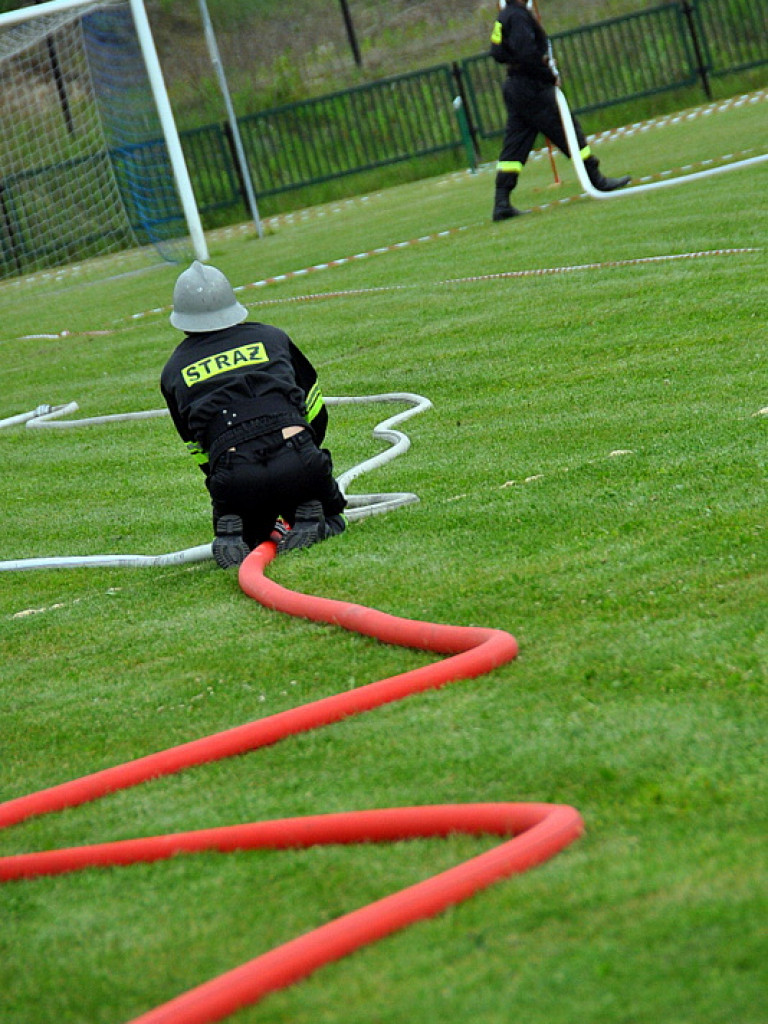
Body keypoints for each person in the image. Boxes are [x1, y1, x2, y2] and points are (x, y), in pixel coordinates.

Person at [160, 261, 347, 568]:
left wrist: (224, 483)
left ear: (182, 320)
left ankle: (238, 533)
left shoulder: (173, 370)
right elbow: (314, 407)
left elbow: (197, 447)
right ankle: (317, 521)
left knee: (254, 534)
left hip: (235, 472)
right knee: (334, 517)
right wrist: (306, 453)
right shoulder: (272, 338)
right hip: (297, 455)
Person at [489, 0, 631, 221]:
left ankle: (501, 202)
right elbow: (527, 53)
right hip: (531, 86)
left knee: (515, 145)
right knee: (567, 130)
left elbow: (497, 52)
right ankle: (596, 179)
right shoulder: (517, 16)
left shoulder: (505, 15)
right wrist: (548, 75)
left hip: (515, 85)